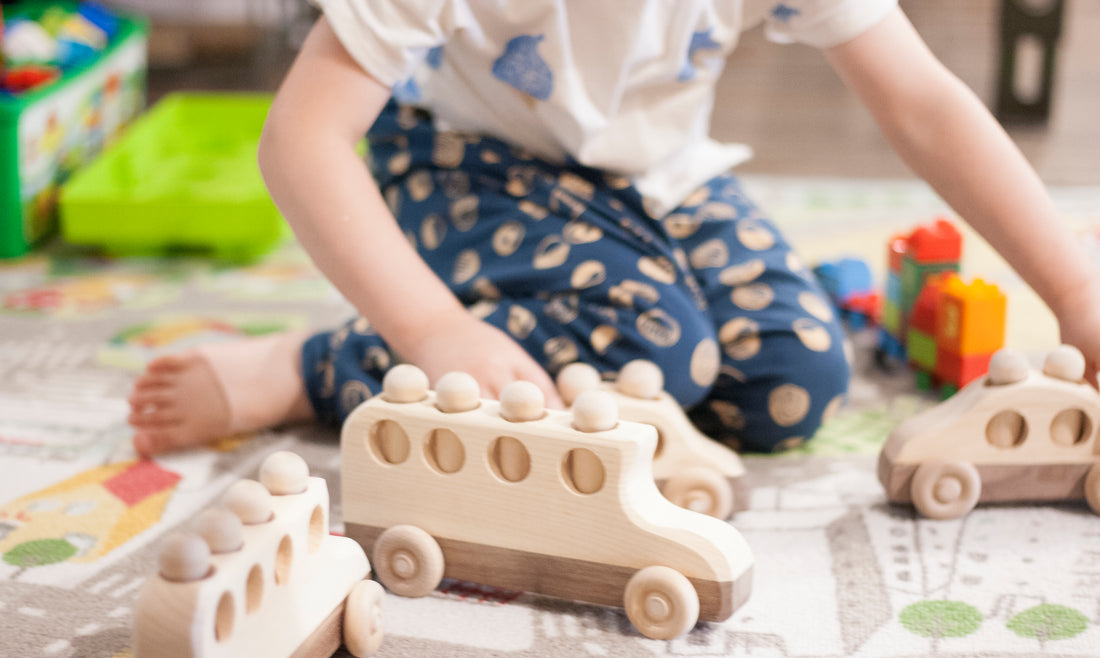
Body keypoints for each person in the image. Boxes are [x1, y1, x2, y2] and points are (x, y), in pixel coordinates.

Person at [127, 0, 1100, 457]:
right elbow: (299, 140)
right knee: (655, 353)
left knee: (791, 383)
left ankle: (620, 290)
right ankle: (313, 362)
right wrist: (428, 331)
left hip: (656, 178)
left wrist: (1074, 291)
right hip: (466, 165)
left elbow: (922, 104)